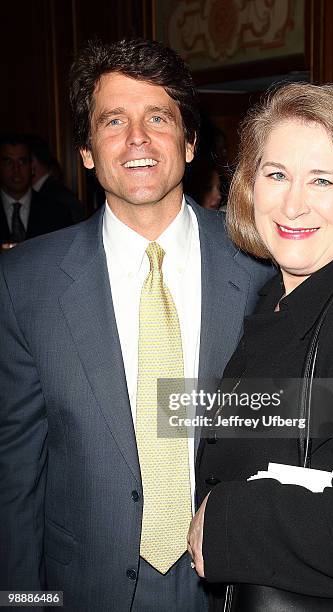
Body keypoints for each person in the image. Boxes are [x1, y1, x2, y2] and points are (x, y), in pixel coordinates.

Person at [0, 38, 273, 612]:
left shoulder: (260, 266)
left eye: (158, 118)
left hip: (230, 586)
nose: (137, 139)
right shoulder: (24, 282)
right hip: (82, 590)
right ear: (86, 152)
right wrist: (24, 603)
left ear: (191, 142)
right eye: (113, 121)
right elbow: (15, 475)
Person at [189, 83, 333, 610]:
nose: (293, 203)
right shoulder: (275, 300)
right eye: (277, 174)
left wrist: (224, 522)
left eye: (323, 180)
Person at [0, 134, 73, 247]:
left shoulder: (57, 213)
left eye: (22, 161)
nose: (16, 169)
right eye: (9, 162)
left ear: (32, 167)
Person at [28, 134, 86, 223]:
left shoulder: (60, 199)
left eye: (22, 161)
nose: (16, 168)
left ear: (32, 162)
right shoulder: (38, 195)